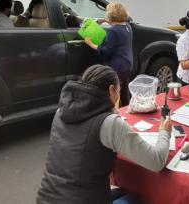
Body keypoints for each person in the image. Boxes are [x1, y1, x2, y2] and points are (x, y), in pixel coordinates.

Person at [36, 65, 172, 204]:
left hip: (47, 198)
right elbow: (156, 161)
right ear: (112, 91)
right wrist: (165, 131)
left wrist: (111, 110)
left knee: (123, 192)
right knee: (139, 198)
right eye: (119, 90)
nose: (119, 95)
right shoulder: (109, 123)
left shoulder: (61, 113)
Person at [85, 2, 133, 107]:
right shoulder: (127, 27)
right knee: (124, 91)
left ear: (111, 15)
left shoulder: (113, 31)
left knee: (115, 93)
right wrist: (106, 21)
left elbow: (105, 52)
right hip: (127, 65)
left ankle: (117, 113)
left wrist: (91, 44)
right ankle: (127, 111)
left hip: (117, 67)